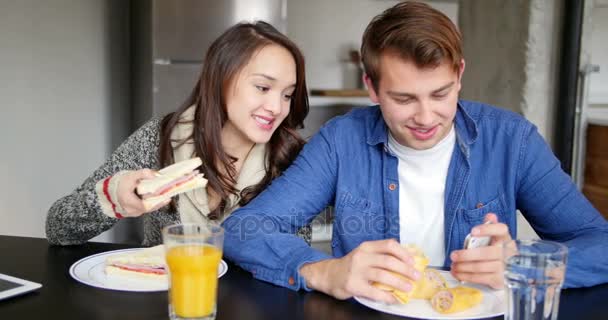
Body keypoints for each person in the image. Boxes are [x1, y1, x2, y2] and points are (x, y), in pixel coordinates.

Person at [221, 1, 608, 304]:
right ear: (371, 88)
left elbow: (599, 242)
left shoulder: (513, 141)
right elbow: (243, 229)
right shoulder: (341, 141)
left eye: (440, 94)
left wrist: (522, 262)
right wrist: (324, 271)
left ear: (458, 75)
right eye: (403, 98)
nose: (426, 117)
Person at [46, 21, 311, 246]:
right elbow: (58, 228)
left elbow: (297, 258)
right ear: (221, 80)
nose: (277, 108)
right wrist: (114, 197)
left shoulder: (295, 162)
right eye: (263, 88)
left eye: (287, 94)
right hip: (163, 302)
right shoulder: (160, 138)